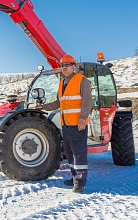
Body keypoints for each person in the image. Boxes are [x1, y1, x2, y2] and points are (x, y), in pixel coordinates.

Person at [36, 54, 92, 193]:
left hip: (77, 124)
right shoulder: (62, 83)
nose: (64, 67)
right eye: (62, 65)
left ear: (74, 66)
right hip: (66, 124)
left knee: (79, 153)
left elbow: (87, 102)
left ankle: (80, 183)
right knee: (70, 153)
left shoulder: (82, 81)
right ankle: (74, 179)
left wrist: (82, 119)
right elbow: (58, 103)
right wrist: (43, 107)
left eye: (67, 65)